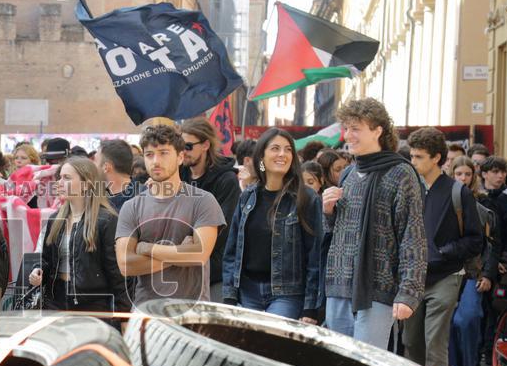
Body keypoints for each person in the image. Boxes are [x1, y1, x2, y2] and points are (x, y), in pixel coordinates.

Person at [323, 98, 426, 349]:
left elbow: (412, 236)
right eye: (346, 128)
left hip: (378, 288)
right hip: (339, 285)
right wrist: (328, 212)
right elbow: (338, 232)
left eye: (355, 128)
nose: (348, 135)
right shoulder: (348, 173)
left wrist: (408, 292)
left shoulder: (401, 173)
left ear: (378, 130)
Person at [116, 124, 226, 304]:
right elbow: (126, 265)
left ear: (180, 157)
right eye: (149, 154)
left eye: (164, 153)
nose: (155, 161)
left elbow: (198, 255)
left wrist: (147, 248)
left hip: (192, 311)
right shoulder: (132, 207)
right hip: (147, 311)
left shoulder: (203, 201)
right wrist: (178, 254)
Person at [222, 128, 324, 321]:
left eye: (287, 150)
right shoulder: (247, 196)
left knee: (270, 346)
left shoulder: (307, 199)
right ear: (261, 155)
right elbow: (232, 250)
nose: (282, 154)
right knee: (248, 347)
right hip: (247, 291)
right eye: (275, 148)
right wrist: (229, 296)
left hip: (287, 294)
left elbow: (315, 256)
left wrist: (310, 308)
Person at [404, 128, 483, 366]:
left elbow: (475, 240)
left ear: (436, 157)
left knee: (435, 344)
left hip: (446, 276)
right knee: (411, 343)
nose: (413, 162)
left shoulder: (458, 192)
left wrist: (443, 252)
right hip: (413, 278)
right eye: (412, 156)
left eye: (418, 157)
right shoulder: (409, 189)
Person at [28, 157, 128, 317]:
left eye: (66, 178)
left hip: (92, 305)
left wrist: (124, 316)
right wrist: (38, 270)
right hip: (54, 302)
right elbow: (46, 259)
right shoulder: (55, 219)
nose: (59, 183)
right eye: (59, 177)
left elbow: (117, 274)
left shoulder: (106, 220)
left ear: (86, 184)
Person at [449, 156, 498, 366]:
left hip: (473, 272)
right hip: (446, 271)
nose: (463, 179)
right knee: (447, 323)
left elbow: (491, 244)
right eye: (459, 174)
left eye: (467, 174)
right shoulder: (442, 202)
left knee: (467, 319)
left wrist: (487, 274)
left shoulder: (483, 206)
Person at [179, 117, 240, 301]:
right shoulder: (177, 174)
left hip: (215, 270)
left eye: (188, 146)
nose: (183, 151)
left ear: (205, 145)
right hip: (180, 266)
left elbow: (223, 230)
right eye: (180, 145)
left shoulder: (226, 180)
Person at [99, 139, 142, 212]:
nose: (92, 166)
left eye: (95, 161)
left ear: (106, 167)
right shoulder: (94, 197)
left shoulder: (141, 199)